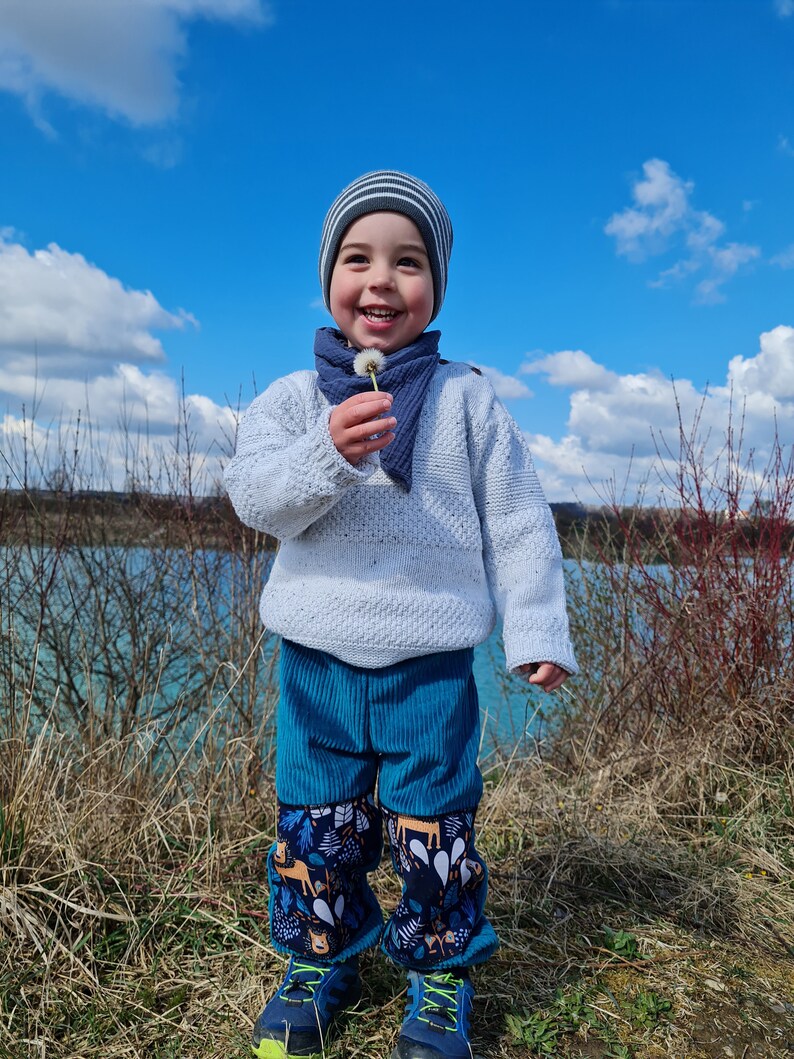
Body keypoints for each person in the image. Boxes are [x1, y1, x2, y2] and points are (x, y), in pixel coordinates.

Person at [224, 170, 578, 1059]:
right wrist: (326, 452)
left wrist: (536, 629)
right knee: (319, 822)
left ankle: (439, 974)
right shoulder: (294, 399)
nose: (381, 280)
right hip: (316, 659)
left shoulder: (467, 399)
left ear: (437, 286)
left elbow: (518, 519)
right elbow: (254, 497)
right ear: (329, 279)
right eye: (358, 258)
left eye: (408, 261)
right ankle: (321, 956)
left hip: (429, 665)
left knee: (435, 828)